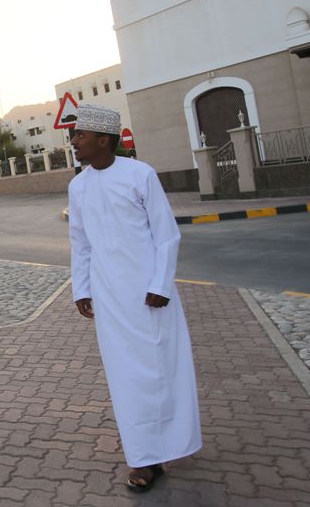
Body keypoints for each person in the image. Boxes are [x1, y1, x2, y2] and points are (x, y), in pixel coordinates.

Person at [66, 103, 202, 493]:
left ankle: (171, 445)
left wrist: (160, 284)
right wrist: (82, 289)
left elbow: (166, 234)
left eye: (80, 135)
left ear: (103, 139)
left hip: (149, 296)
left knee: (161, 372)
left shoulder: (140, 174)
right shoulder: (78, 186)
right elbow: (80, 243)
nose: (74, 141)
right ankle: (144, 458)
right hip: (109, 299)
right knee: (125, 377)